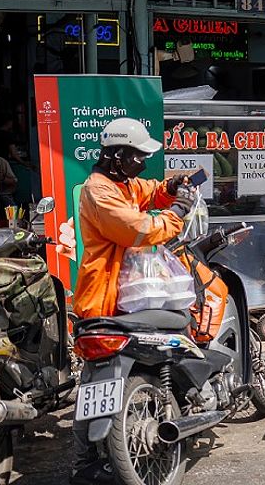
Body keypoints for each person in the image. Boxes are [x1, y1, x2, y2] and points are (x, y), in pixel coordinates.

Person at [71, 118, 194, 483]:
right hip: (102, 297)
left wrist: (168, 188)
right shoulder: (100, 191)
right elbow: (137, 229)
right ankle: (85, 460)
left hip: (122, 294)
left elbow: (147, 191)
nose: (143, 162)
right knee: (96, 384)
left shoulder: (119, 183)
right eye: (138, 156)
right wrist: (176, 215)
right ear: (117, 156)